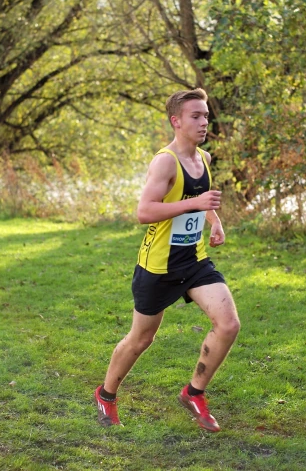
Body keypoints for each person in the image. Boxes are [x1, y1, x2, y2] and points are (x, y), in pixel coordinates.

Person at [94, 88, 240, 432]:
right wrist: (196, 204)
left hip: (194, 261)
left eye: (205, 115)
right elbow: (145, 211)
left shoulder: (202, 158)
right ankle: (106, 393)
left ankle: (194, 392)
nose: (204, 121)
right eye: (196, 116)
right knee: (141, 340)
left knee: (229, 324)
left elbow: (198, 200)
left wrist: (214, 221)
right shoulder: (165, 161)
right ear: (176, 121)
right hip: (158, 267)